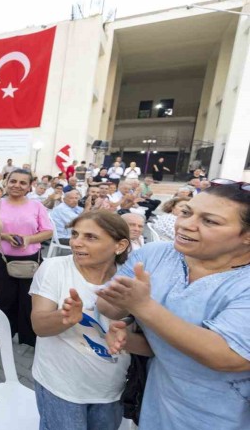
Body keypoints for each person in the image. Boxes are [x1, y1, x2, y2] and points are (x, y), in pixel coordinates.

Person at [99, 181, 250, 430]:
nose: (187, 225)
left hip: (225, 415)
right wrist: (123, 320)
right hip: (159, 404)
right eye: (187, 212)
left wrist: (143, 307)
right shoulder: (154, 255)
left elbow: (228, 355)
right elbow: (107, 306)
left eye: (210, 221)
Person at [30, 210, 132, 430]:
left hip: (110, 391)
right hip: (60, 388)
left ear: (120, 246)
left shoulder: (129, 279)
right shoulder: (54, 268)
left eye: (91, 237)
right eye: (75, 234)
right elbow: (39, 325)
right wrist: (65, 317)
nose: (76, 243)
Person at [0, 169, 53, 347]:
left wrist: (28, 239)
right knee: (5, 300)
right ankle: (5, 335)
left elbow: (48, 231)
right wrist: (4, 236)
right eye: (13, 181)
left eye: (22, 183)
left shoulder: (36, 206)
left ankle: (28, 336)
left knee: (28, 300)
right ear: (6, 182)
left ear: (29, 186)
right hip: (2, 260)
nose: (17, 185)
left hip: (31, 260)